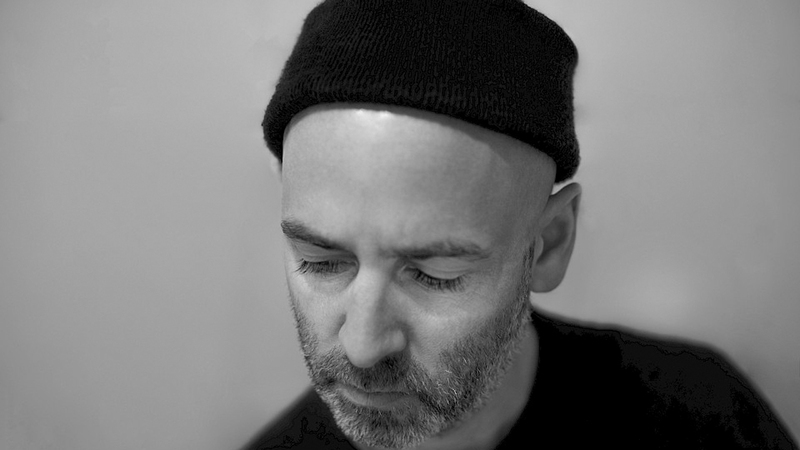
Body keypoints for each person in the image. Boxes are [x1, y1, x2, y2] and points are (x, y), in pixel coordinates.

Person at [243, 0, 797, 448]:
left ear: (548, 244)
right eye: (320, 263)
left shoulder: (699, 418)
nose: (363, 346)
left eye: (434, 274)